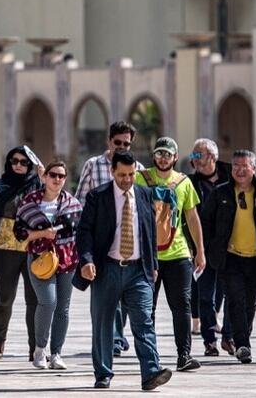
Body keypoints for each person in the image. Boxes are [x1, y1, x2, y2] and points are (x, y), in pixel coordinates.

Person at [75, 151, 171, 391]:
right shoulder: (98, 196)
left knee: (144, 321)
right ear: (112, 172)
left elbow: (148, 232)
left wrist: (154, 265)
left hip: (138, 270)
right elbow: (84, 231)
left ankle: (150, 372)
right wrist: (86, 260)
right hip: (107, 268)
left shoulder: (144, 194)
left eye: (131, 174)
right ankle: (103, 373)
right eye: (122, 175)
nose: (127, 179)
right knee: (103, 323)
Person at [202, 149, 256, 364]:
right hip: (230, 257)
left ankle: (243, 337)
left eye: (245, 166)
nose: (240, 170)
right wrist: (208, 248)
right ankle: (243, 344)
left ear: (253, 168)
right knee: (235, 300)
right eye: (236, 166)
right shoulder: (220, 193)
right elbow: (205, 222)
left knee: (251, 301)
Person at [75, 121, 144, 357]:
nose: (122, 147)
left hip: (128, 245)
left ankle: (117, 334)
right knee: (109, 299)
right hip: (101, 246)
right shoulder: (93, 166)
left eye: (127, 143)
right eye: (118, 143)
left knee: (125, 299)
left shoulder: (138, 168)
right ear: (109, 141)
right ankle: (113, 339)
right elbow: (81, 201)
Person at [137, 137, 206, 372]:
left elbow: (192, 217)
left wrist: (200, 251)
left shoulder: (184, 182)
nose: (163, 158)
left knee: (182, 306)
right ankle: (150, 357)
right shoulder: (140, 178)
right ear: (153, 156)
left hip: (178, 254)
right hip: (148, 255)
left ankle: (183, 355)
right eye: (159, 153)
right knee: (148, 308)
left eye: (168, 154)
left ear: (175, 158)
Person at [14, 159, 83, 370]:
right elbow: (19, 233)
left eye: (61, 176)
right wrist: (43, 233)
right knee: (48, 302)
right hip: (39, 258)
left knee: (63, 308)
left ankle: (56, 353)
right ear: (44, 177)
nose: (57, 179)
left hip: (67, 259)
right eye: (53, 175)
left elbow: (80, 232)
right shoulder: (30, 201)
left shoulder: (73, 203)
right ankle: (39, 349)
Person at [0, 145, 42, 360]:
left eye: (23, 162)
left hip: (32, 250)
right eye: (14, 161)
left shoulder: (37, 186)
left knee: (34, 300)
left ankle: (34, 346)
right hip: (4, 250)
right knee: (5, 297)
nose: (18, 165)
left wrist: (43, 177)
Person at [188, 138, 233, 356]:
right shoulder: (191, 183)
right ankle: (209, 341)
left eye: (199, 155)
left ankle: (229, 336)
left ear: (213, 157)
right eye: (193, 155)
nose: (195, 160)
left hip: (230, 247)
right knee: (204, 295)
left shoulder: (232, 177)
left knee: (229, 293)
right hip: (202, 248)